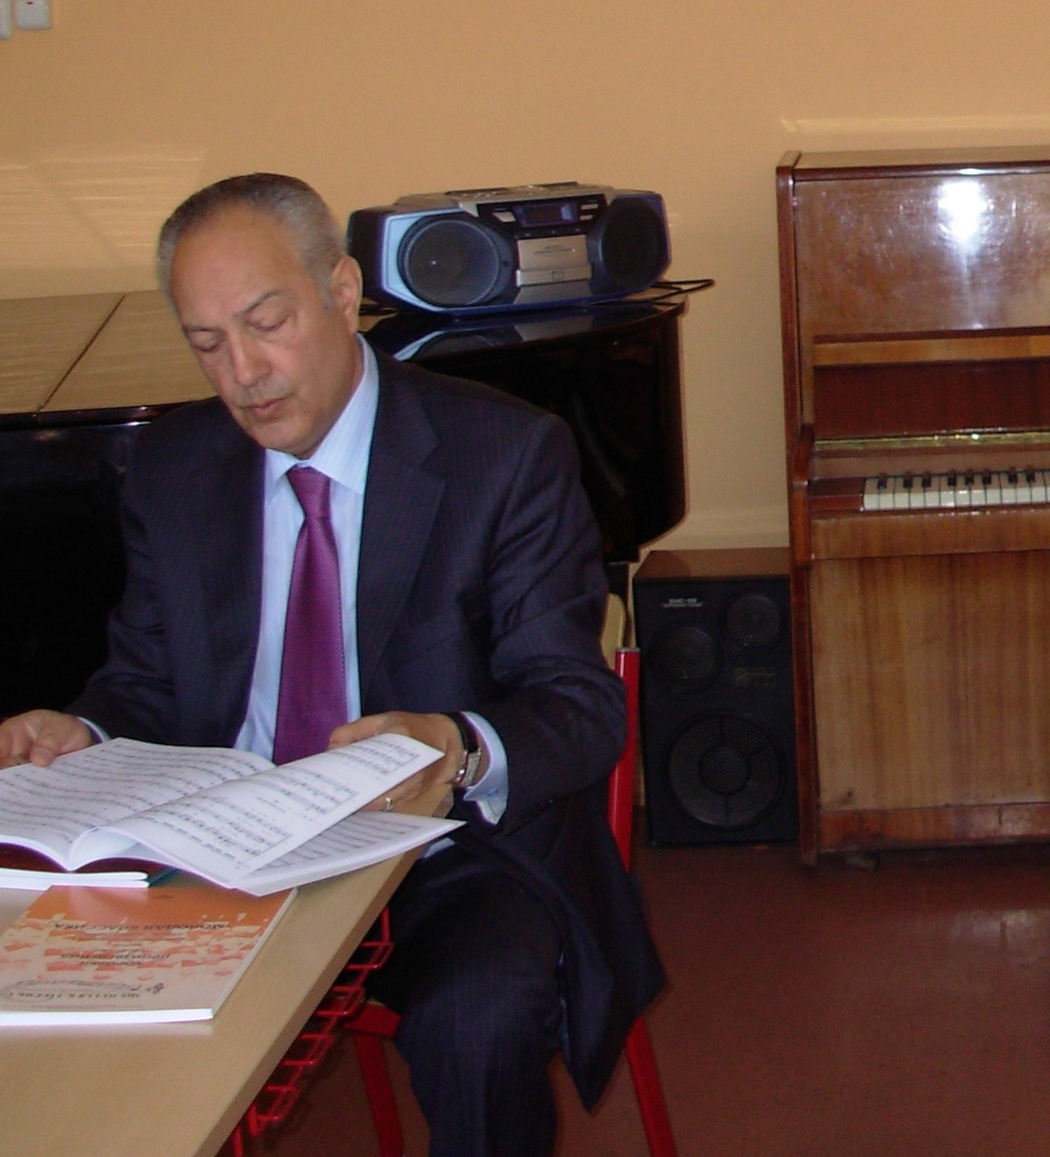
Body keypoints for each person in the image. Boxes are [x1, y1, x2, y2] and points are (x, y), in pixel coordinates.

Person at [0, 174, 662, 1157]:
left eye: (267, 324)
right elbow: (144, 681)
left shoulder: (503, 455)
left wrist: (455, 744)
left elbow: (577, 705)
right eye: (207, 343)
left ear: (343, 293)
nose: (244, 373)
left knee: (478, 1018)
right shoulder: (175, 469)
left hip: (444, 851)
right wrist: (84, 728)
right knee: (60, 1012)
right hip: (227, 845)